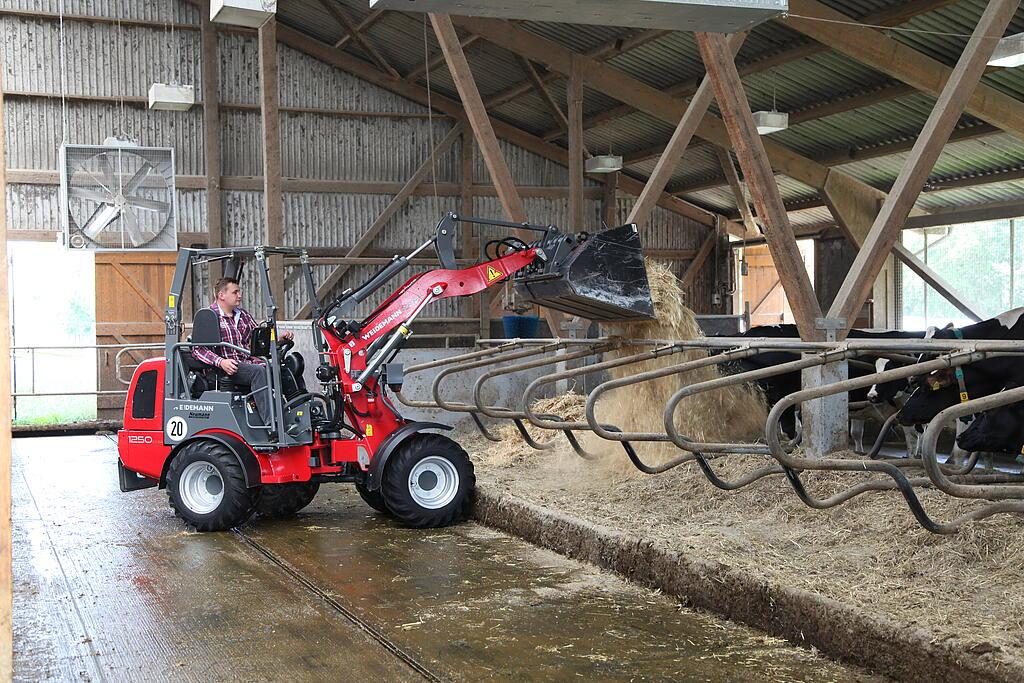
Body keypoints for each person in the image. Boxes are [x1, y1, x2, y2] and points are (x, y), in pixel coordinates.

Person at [191, 277, 298, 427]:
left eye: (239, 292)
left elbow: (257, 340)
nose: (239, 295)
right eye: (235, 292)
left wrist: (279, 339)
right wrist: (221, 362)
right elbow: (198, 349)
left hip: (246, 362)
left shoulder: (243, 315)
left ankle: (298, 412)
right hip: (225, 368)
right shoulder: (208, 317)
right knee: (258, 372)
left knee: (284, 369)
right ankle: (273, 424)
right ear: (221, 295)